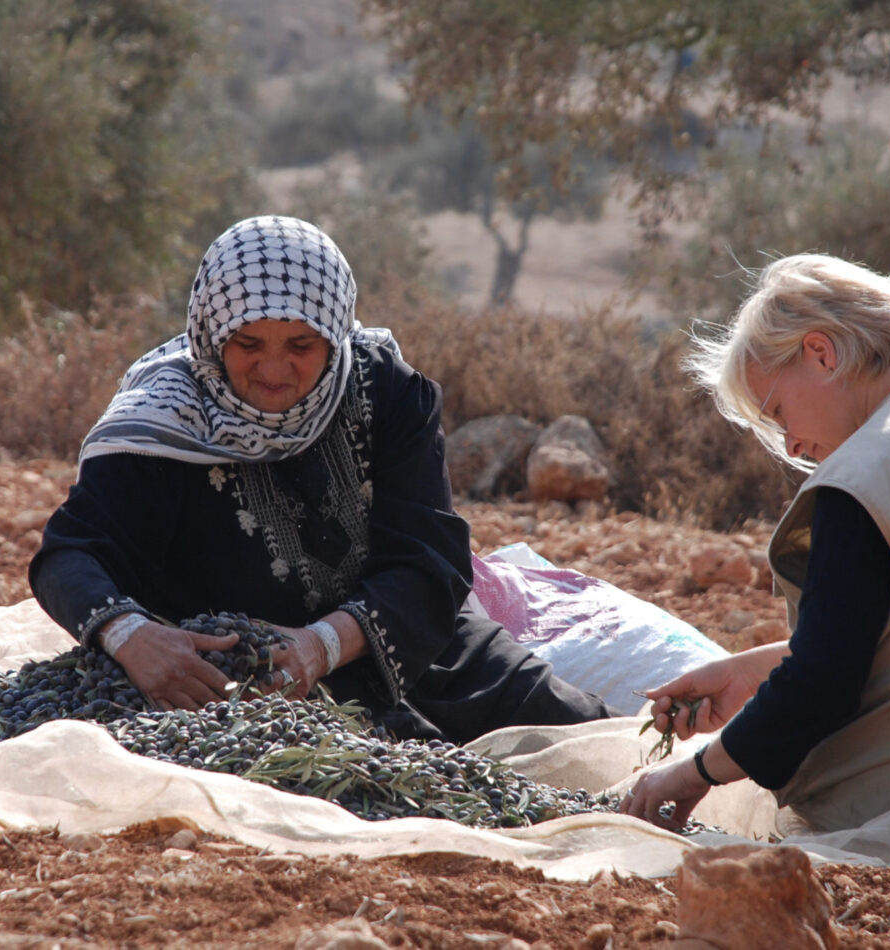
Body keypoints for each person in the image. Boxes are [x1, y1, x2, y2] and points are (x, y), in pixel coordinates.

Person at [30, 214, 617, 743]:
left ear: (335, 336)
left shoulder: (383, 389)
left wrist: (321, 644)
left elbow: (429, 559)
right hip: (236, 684)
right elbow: (69, 555)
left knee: (577, 737)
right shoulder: (159, 426)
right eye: (248, 343)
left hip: (406, 645)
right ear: (212, 333)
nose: (274, 370)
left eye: (302, 345)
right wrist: (132, 637)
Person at [621, 253, 890, 854]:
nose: (790, 442)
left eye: (778, 410)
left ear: (821, 352)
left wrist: (691, 772)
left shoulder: (864, 475)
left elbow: (823, 686)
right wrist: (752, 671)